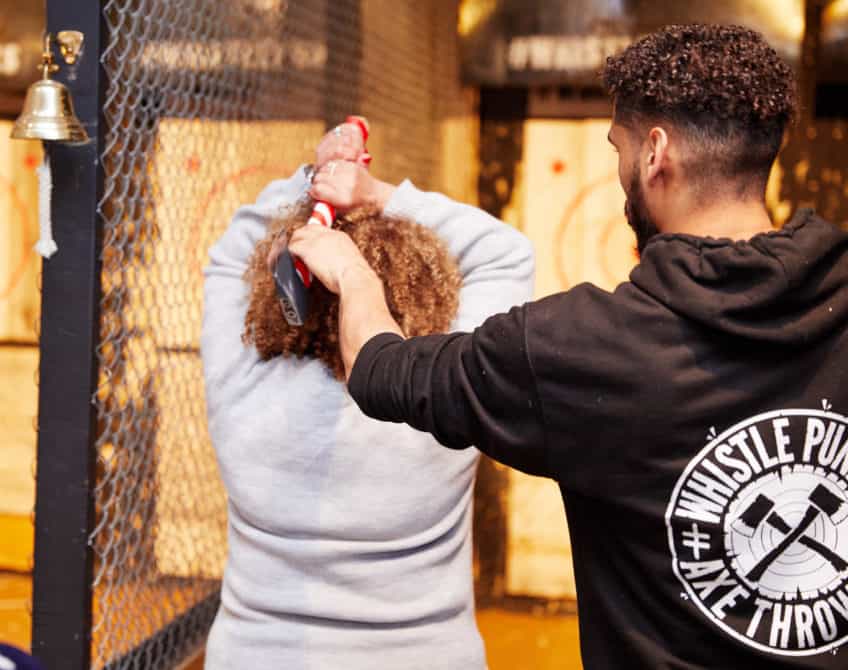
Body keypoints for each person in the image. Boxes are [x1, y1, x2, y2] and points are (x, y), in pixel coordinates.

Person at [288, 24, 848, 669]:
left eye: (619, 146)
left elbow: (378, 369)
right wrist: (382, 198)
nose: (619, 171)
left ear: (654, 153)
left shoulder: (576, 347)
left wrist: (350, 269)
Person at [200, 123, 534, 669]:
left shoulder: (241, 382)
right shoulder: (441, 395)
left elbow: (230, 249)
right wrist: (374, 192)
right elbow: (506, 253)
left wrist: (318, 183)